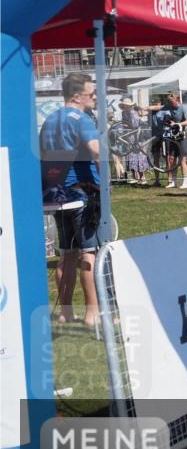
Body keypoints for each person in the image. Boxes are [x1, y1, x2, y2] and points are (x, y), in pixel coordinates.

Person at [39, 72, 101, 326]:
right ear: (77, 96)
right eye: (91, 93)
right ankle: (92, 313)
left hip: (57, 195)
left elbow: (43, 156)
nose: (95, 97)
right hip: (82, 193)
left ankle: (66, 312)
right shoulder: (82, 119)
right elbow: (97, 151)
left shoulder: (49, 119)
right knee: (89, 253)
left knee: (67, 254)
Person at [162, 92, 187, 189]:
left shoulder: (184, 108)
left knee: (182, 159)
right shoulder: (169, 107)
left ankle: (185, 182)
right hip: (173, 135)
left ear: (177, 100)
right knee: (171, 159)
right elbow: (158, 108)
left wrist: (178, 124)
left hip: (183, 135)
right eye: (169, 102)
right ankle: (173, 181)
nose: (170, 104)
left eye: (172, 101)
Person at [119, 98, 150, 183]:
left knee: (139, 156)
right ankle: (134, 177)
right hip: (129, 137)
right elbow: (123, 123)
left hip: (138, 136)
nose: (126, 107)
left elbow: (135, 125)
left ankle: (142, 177)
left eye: (128, 105)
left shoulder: (134, 113)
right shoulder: (123, 113)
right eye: (125, 105)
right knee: (131, 156)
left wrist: (126, 126)